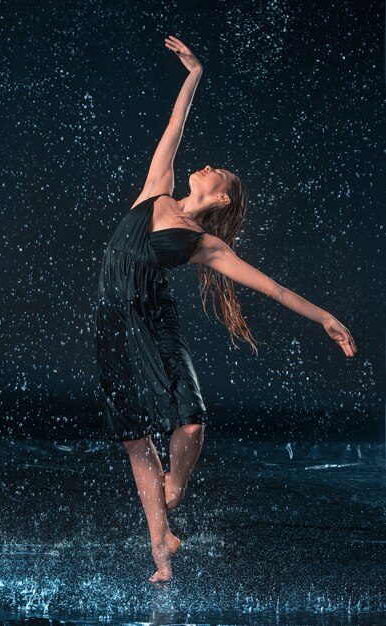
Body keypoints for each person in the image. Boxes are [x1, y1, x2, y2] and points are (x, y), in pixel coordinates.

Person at [94, 35, 358, 584]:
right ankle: (161, 548)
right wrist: (194, 72)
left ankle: (173, 494)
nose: (210, 166)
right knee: (132, 437)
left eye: (221, 176)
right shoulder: (156, 189)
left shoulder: (205, 244)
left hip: (154, 323)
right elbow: (175, 125)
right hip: (113, 324)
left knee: (189, 425)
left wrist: (324, 317)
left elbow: (273, 288)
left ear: (222, 201)